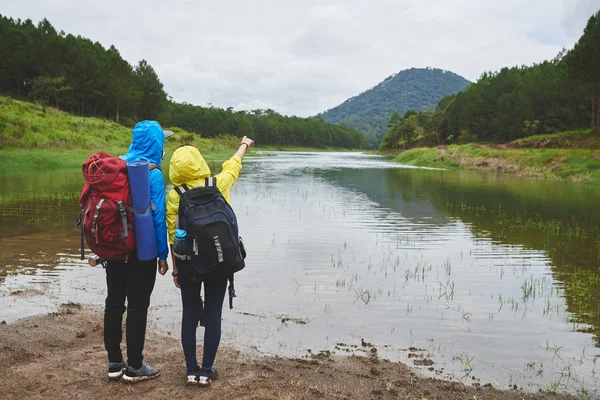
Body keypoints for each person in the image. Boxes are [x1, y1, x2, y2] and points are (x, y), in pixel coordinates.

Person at [166, 136, 254, 387]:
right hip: (218, 261)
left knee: (189, 315)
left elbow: (173, 236)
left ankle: (191, 371)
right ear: (199, 161)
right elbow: (233, 164)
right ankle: (206, 371)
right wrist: (244, 145)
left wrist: (175, 269)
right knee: (214, 313)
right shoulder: (218, 183)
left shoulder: (174, 196)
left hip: (187, 265)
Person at [104, 120, 172, 383]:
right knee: (137, 306)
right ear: (156, 143)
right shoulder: (153, 172)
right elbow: (158, 220)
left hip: (113, 248)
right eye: (162, 141)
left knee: (114, 302)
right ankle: (134, 366)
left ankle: (113, 363)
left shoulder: (116, 165)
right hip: (141, 252)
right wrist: (163, 255)